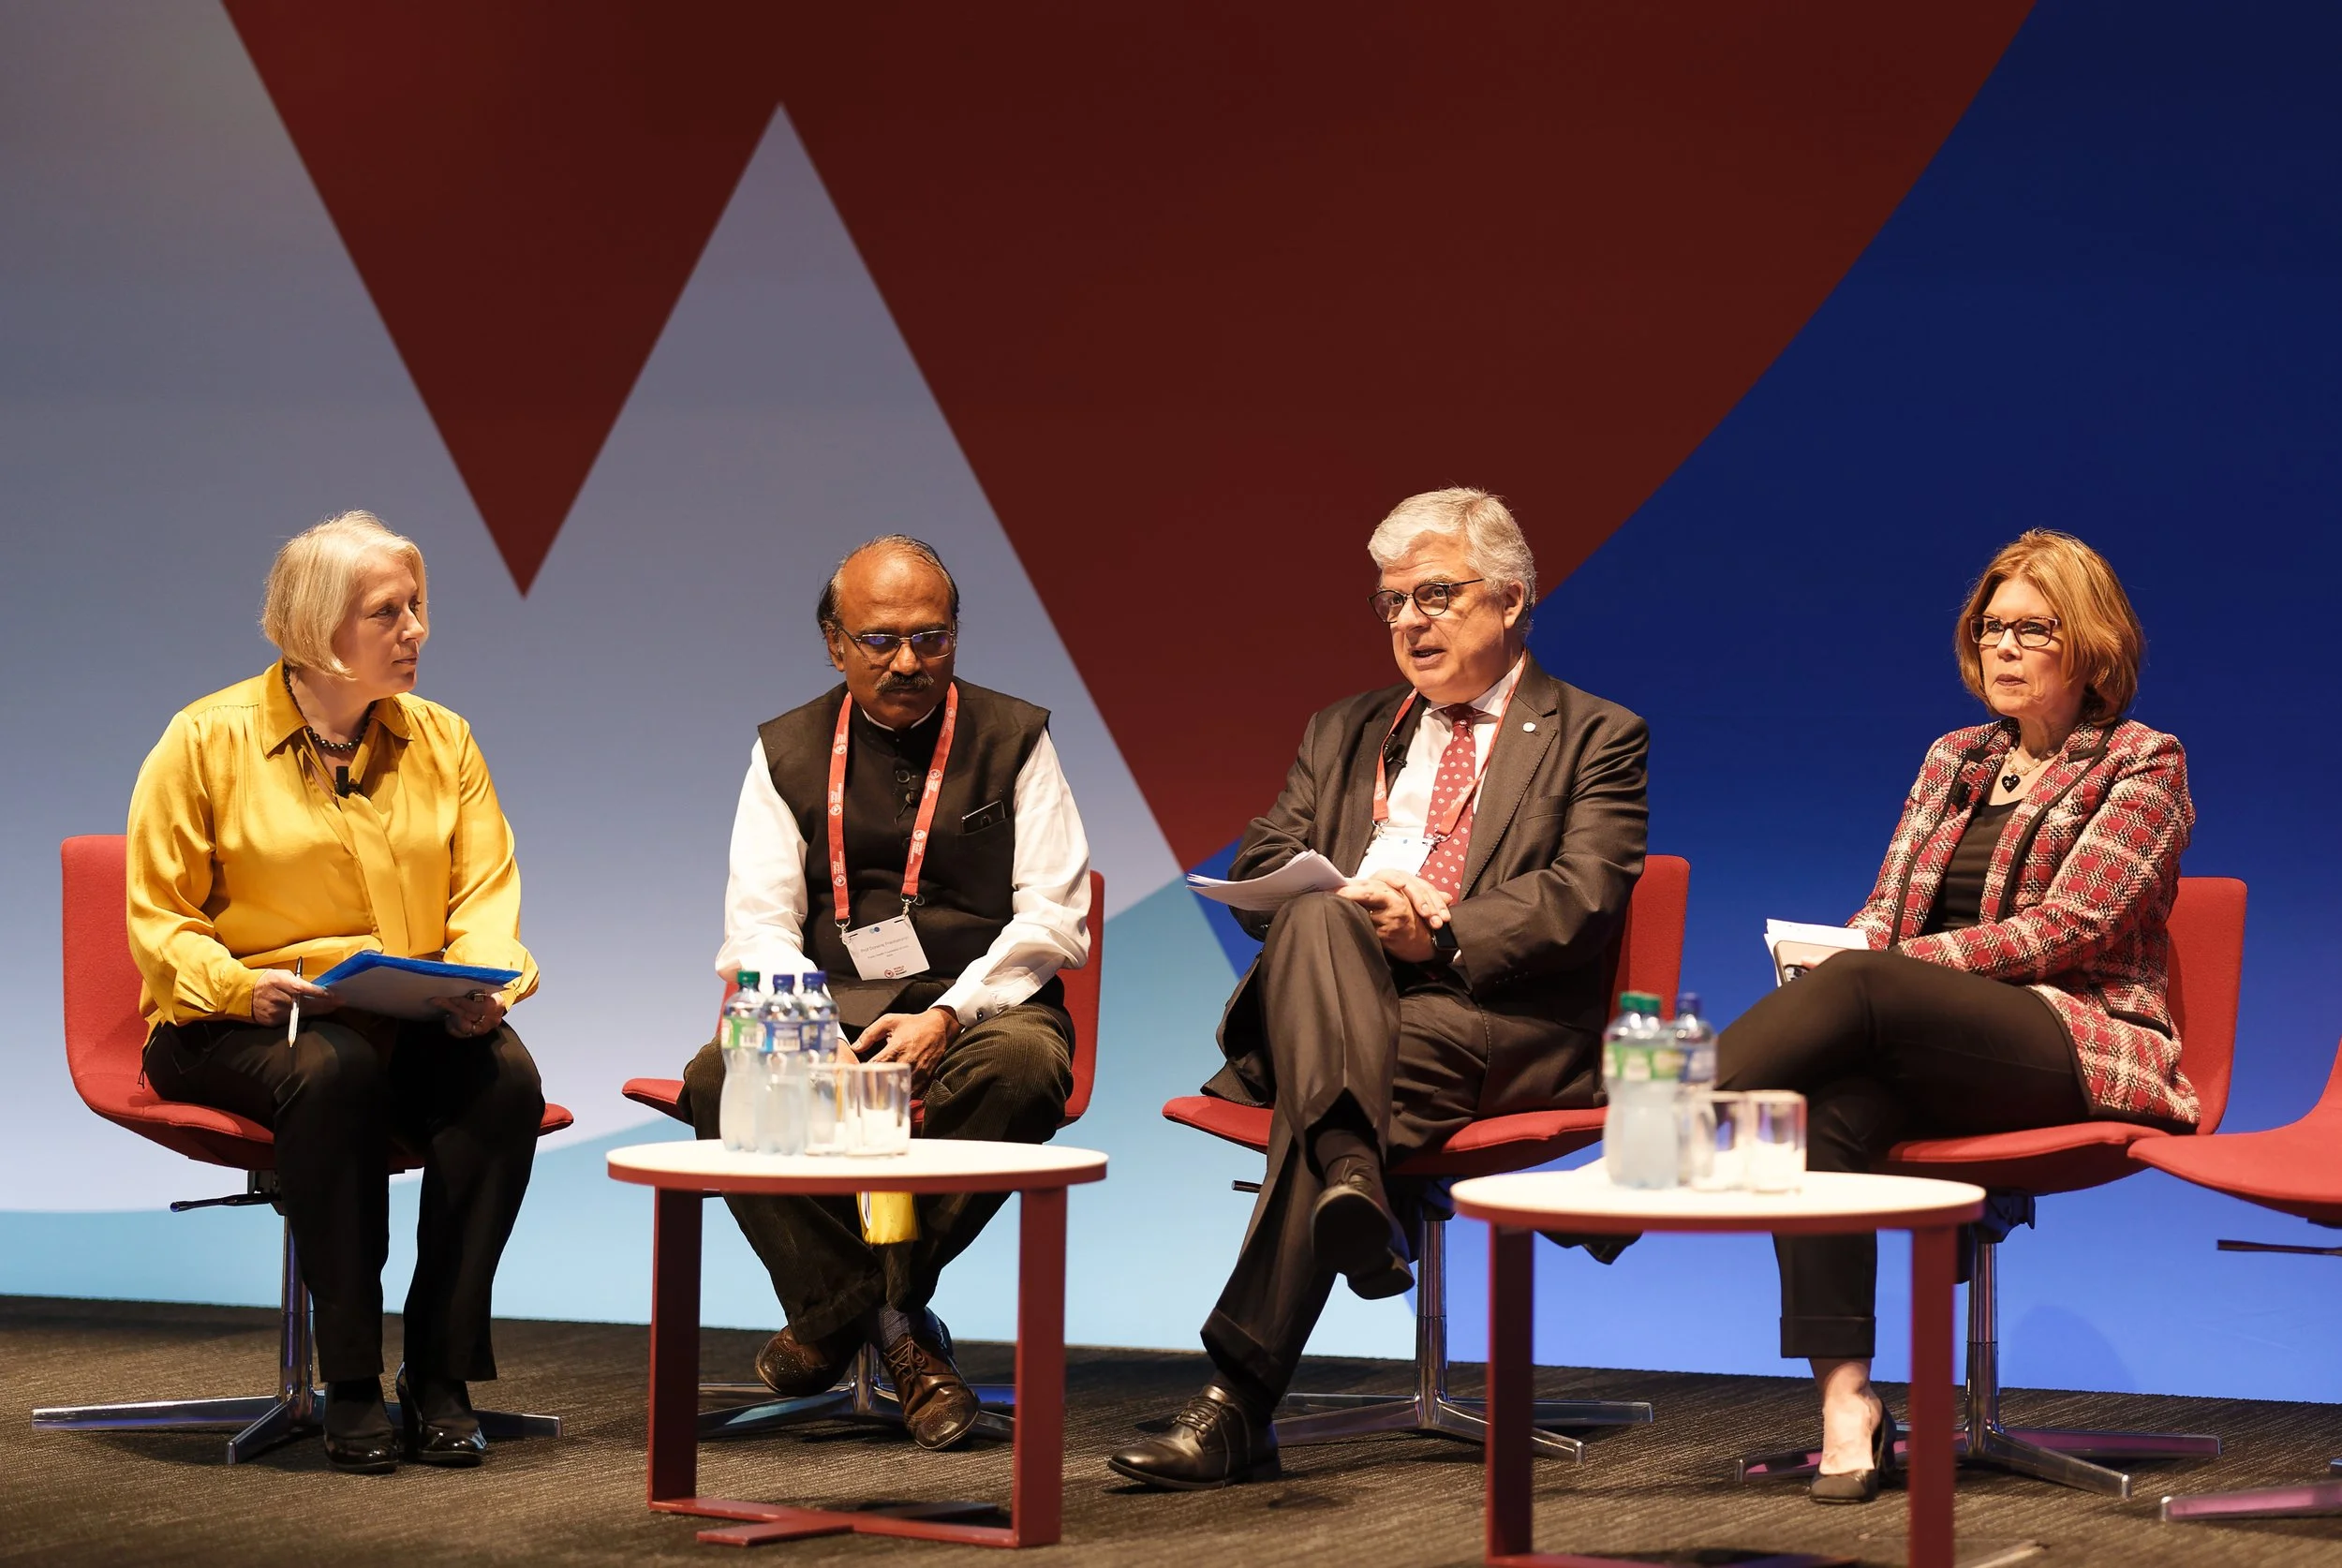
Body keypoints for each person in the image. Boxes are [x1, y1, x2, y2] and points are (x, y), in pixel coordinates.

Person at [1109, 488, 1648, 1490]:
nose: (1408, 620)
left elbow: (1584, 895)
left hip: (1489, 1019)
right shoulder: (1343, 729)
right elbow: (1269, 851)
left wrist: (1435, 929)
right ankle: (1351, 1173)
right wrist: (1352, 897)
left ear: (1511, 601)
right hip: (1334, 1006)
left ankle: (1237, 1399)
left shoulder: (1595, 735)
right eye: (1391, 601)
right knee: (1318, 912)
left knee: (1332, 1078)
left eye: (1435, 594)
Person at [1717, 530, 2193, 1504]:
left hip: (2070, 1038)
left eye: (2033, 629)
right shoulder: (1953, 759)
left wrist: (1876, 971)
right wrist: (1842, 952)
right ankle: (1847, 1405)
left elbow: (2073, 924)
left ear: (2090, 644)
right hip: (1925, 1041)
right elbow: (1886, 906)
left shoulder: (2142, 763)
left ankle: (1644, 1129)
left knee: (1862, 988)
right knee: (1820, 1109)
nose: (2003, 648)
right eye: (1990, 628)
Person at [128, 511, 545, 1474]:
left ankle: (439, 1374)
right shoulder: (205, 739)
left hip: (398, 1011)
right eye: (387, 612)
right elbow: (161, 924)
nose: (415, 631)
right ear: (319, 627)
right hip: (228, 1018)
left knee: (502, 1080)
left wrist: (488, 983)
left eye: (418, 607)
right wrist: (245, 986)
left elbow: (485, 896)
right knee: (333, 1068)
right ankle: (350, 1379)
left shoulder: (444, 740)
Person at [677, 535, 1090, 1451]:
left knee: (1025, 1068)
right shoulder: (783, 751)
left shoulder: (1016, 737)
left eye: (931, 638)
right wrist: (797, 1023)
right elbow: (759, 920)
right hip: (828, 1004)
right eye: (880, 641)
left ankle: (834, 1320)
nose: (909, 661)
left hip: (978, 1005)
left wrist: (952, 1013)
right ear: (834, 643)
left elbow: (1053, 917)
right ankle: (897, 1333)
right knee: (717, 1080)